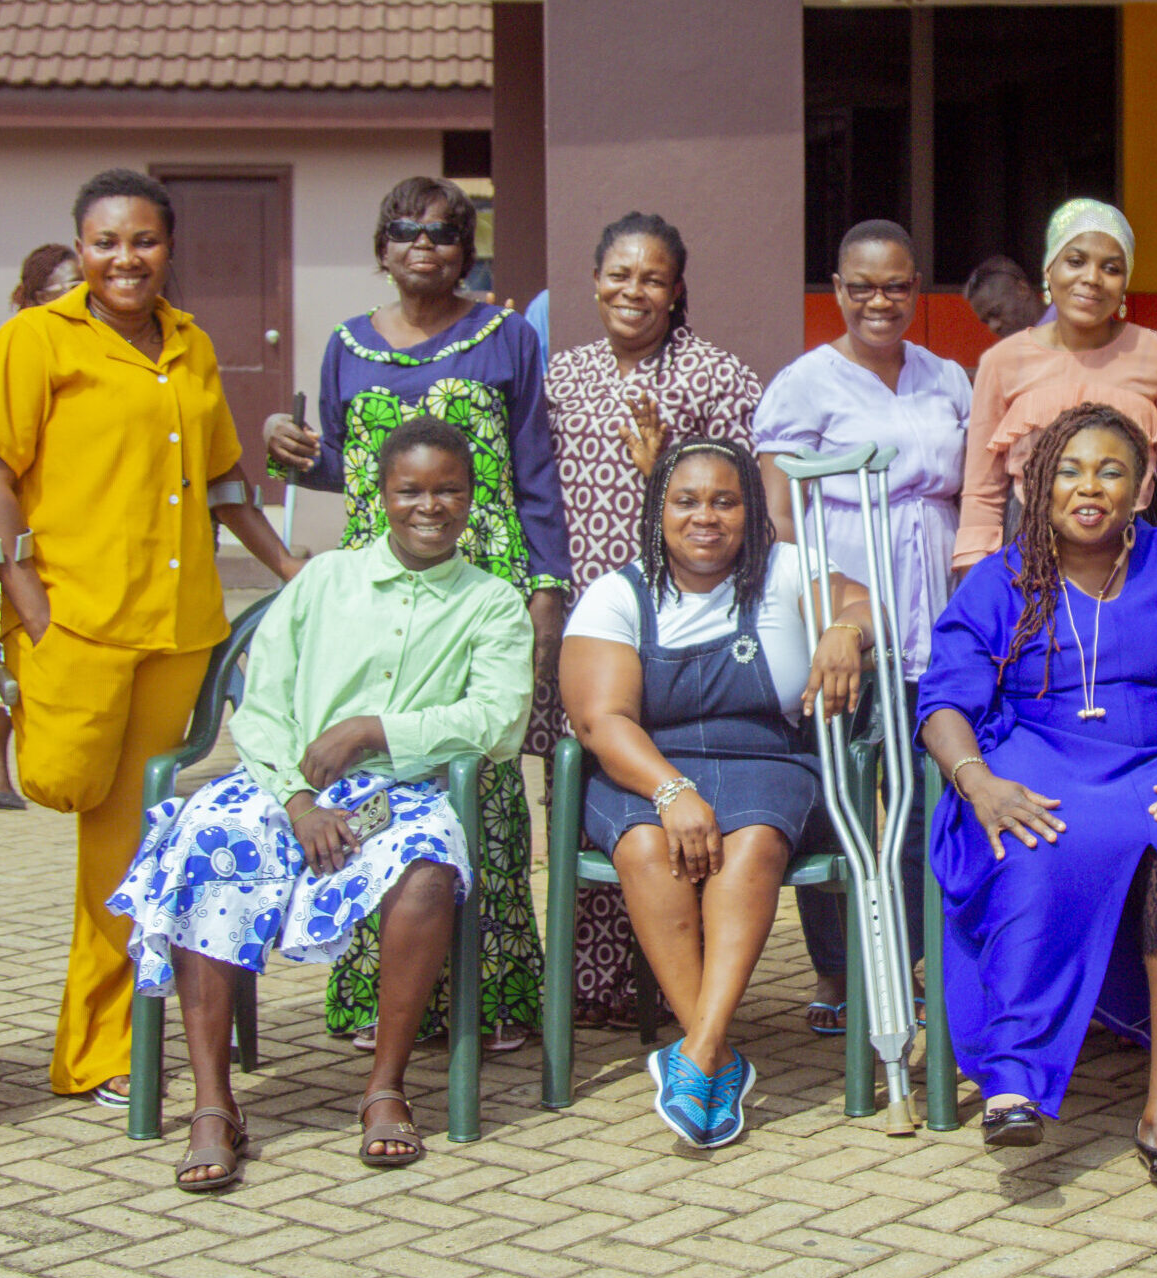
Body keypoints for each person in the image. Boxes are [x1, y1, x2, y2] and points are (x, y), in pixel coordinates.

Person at [111, 418, 532, 1191]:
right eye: (411, 490)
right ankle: (213, 1106)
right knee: (208, 840)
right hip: (282, 784)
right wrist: (299, 797)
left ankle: (384, 1088)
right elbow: (262, 704)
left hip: (396, 793)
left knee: (425, 868)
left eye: (448, 491)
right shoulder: (323, 580)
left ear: (473, 500)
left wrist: (377, 730)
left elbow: (497, 720)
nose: (429, 507)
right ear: (382, 494)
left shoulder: (492, 603)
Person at [0, 168, 305, 1109]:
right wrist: (27, 603)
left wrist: (288, 569)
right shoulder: (35, 340)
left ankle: (104, 1050)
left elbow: (225, 481)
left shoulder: (191, 344)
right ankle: (100, 1039)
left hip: (178, 632)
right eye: (107, 242)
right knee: (77, 803)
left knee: (138, 842)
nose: (127, 259)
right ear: (80, 249)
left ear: (169, 248)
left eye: (144, 241)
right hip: (76, 623)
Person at [918, 403, 1157, 1191]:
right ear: (1041, 488)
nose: (1091, 488)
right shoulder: (1002, 577)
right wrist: (975, 780)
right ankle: (1013, 1079)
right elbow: (946, 699)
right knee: (1036, 839)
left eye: (1111, 471)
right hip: (1039, 764)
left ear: (1141, 486)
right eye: (1072, 471)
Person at [260, 176, 568, 1056]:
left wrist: (545, 590)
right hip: (377, 580)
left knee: (484, 790)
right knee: (371, 783)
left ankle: (491, 994)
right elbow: (353, 468)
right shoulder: (347, 344)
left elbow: (532, 468)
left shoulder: (505, 337)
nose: (423, 246)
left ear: (467, 250)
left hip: (484, 579)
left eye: (443, 233)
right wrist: (294, 453)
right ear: (382, 248)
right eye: (405, 232)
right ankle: (381, 997)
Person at [561, 439, 873, 1149]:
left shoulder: (787, 569)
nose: (707, 517)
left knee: (754, 841)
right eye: (688, 501)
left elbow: (864, 601)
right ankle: (714, 1051)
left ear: (751, 511)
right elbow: (599, 720)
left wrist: (847, 630)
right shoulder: (619, 593)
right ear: (658, 511)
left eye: (725, 501)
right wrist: (670, 791)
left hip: (768, 760)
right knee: (646, 846)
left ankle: (700, 1051)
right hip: (643, 764)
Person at [546, 212, 764, 1029]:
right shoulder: (561, 376)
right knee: (595, 790)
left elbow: (733, 499)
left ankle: (692, 986)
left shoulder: (716, 374)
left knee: (682, 786)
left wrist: (664, 464)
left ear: (678, 292)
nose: (635, 291)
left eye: (654, 279)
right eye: (620, 275)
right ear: (595, 281)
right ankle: (601, 986)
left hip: (685, 617)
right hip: (588, 616)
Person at [754, 219, 970, 1034]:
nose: (881, 301)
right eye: (862, 287)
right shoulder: (803, 384)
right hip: (843, 611)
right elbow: (778, 520)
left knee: (921, 797)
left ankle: (908, 964)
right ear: (837, 290)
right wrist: (818, 614)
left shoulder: (947, 377)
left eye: (898, 286)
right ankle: (839, 972)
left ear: (917, 290)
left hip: (935, 614)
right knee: (838, 791)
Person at [952, 200, 1157, 570]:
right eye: (1076, 261)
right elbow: (983, 490)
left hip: (1139, 557)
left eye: (1111, 268)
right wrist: (975, 578)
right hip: (1032, 555)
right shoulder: (1002, 363)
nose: (1092, 278)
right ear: (1049, 269)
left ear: (1125, 282)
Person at [0, 242, 85, 813]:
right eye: (62, 288)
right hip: (16, 535)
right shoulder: (23, 343)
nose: (77, 297)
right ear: (33, 297)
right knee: (8, 647)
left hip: (64, 540)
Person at [963, 255, 1049, 340]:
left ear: (1023, 289)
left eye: (996, 312)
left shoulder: (1060, 331)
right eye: (986, 322)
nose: (993, 327)